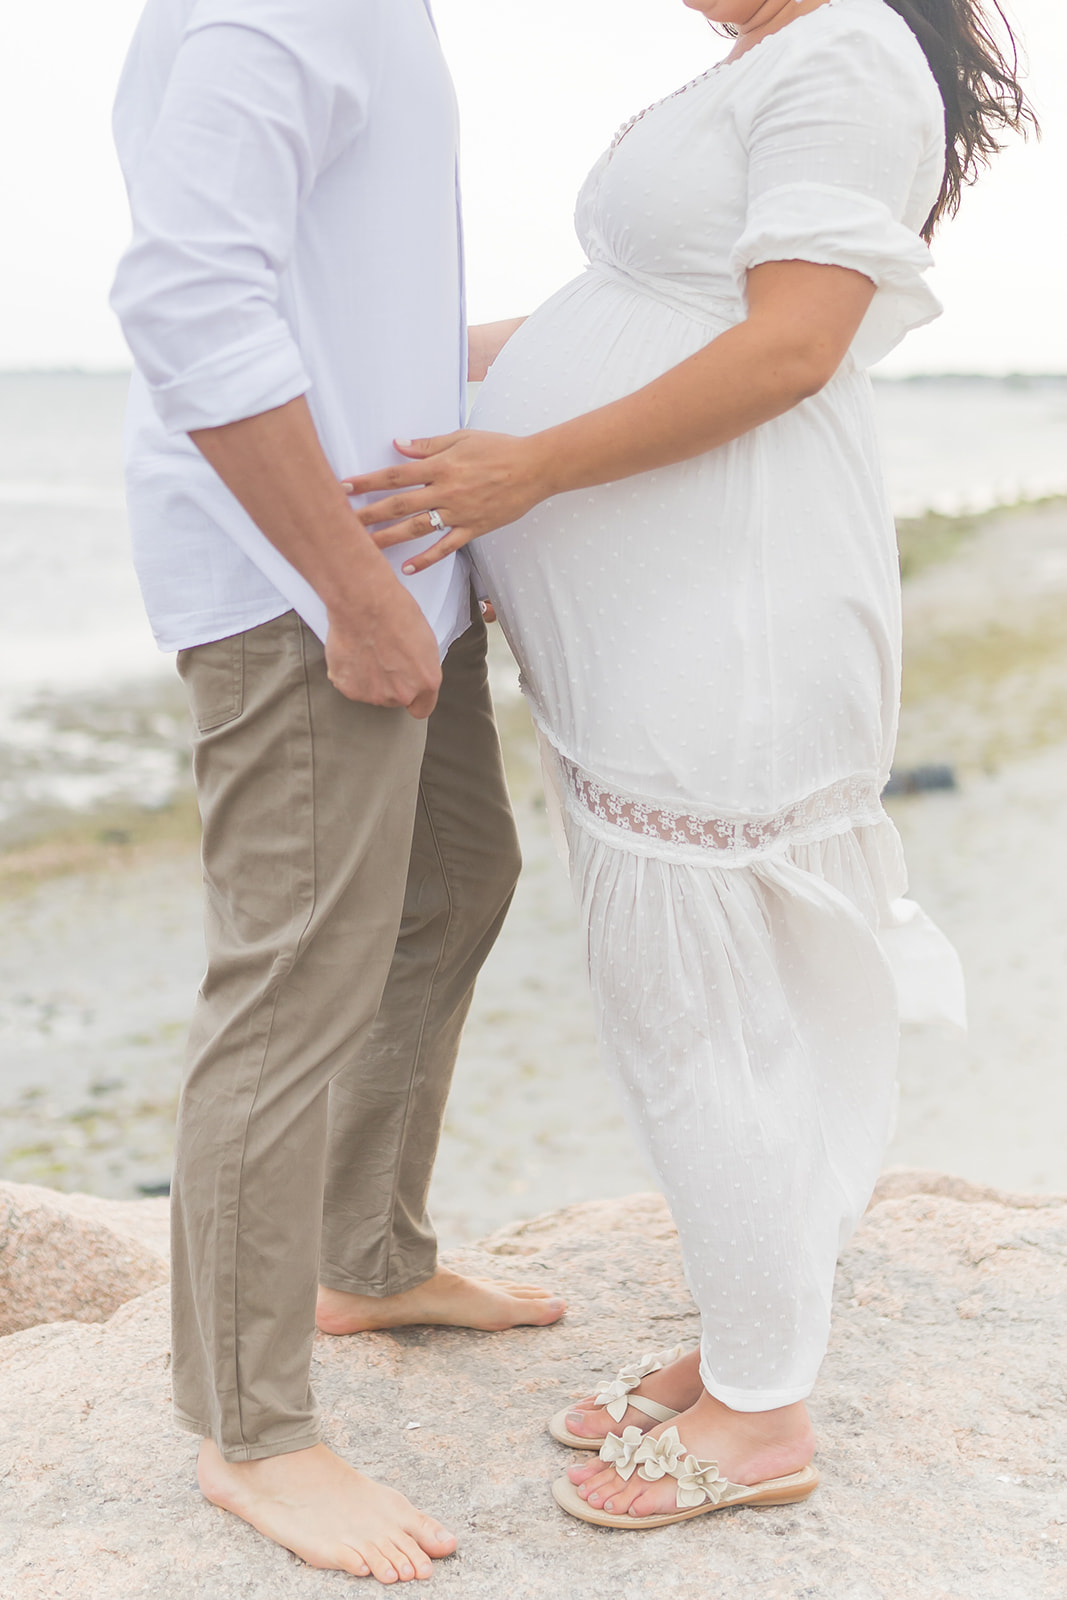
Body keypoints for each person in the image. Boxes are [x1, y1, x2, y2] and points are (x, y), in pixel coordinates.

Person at [348, 0, 1034, 1529]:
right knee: (692, 992)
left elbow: (793, 346)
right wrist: (402, 370)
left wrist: (521, 467)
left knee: (706, 997)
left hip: (737, 600)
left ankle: (766, 1410)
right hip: (661, 624)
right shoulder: (763, 62)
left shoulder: (842, 48)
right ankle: (747, 1344)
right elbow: (633, 303)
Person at [109, 0, 564, 1582]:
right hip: (296, 585)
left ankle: (365, 1258)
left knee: (457, 885)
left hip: (392, 566)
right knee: (293, 978)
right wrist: (347, 590)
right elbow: (186, 301)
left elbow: (354, 317)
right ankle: (254, 1431)